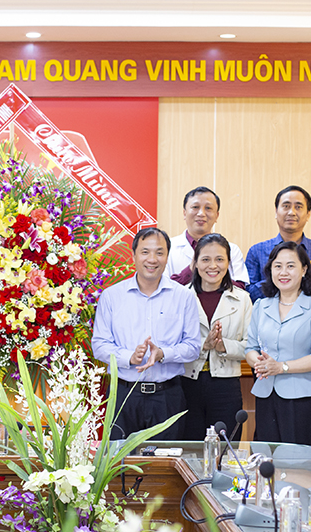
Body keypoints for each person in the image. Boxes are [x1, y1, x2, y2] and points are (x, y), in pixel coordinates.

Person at [92, 228, 201, 440]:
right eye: (145, 252)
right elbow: (100, 345)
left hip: (168, 397)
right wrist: (129, 357)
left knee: (166, 458)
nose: (152, 259)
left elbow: (193, 347)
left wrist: (162, 354)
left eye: (159, 252)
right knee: (119, 458)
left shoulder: (184, 297)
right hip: (123, 395)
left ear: (167, 257)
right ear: (133, 255)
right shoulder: (112, 296)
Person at [244, 241, 311, 445]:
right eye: (278, 266)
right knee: (265, 456)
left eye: (290, 266)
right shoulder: (261, 306)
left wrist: (281, 367)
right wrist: (260, 363)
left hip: (301, 398)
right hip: (265, 393)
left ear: (304, 270)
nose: (283, 272)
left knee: (298, 459)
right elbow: (250, 349)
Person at [180, 233, 252, 440]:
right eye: (205, 259)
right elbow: (170, 343)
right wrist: (203, 345)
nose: (213, 266)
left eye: (220, 259)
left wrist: (223, 346)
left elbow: (251, 347)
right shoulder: (181, 296)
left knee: (225, 447)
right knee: (189, 447)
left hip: (226, 385)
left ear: (228, 262)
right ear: (195, 263)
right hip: (187, 382)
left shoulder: (243, 299)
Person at [245, 185, 311, 302]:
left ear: (308, 214)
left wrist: (308, 276)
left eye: (298, 207)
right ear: (276, 212)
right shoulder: (256, 251)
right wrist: (277, 278)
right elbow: (247, 295)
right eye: (286, 206)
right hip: (269, 313)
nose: (291, 212)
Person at [164, 187, 246, 286]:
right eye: (195, 207)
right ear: (184, 213)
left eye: (208, 208)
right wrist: (192, 268)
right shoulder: (167, 247)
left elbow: (240, 287)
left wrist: (214, 278)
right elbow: (164, 287)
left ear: (216, 216)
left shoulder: (232, 249)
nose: (201, 214)